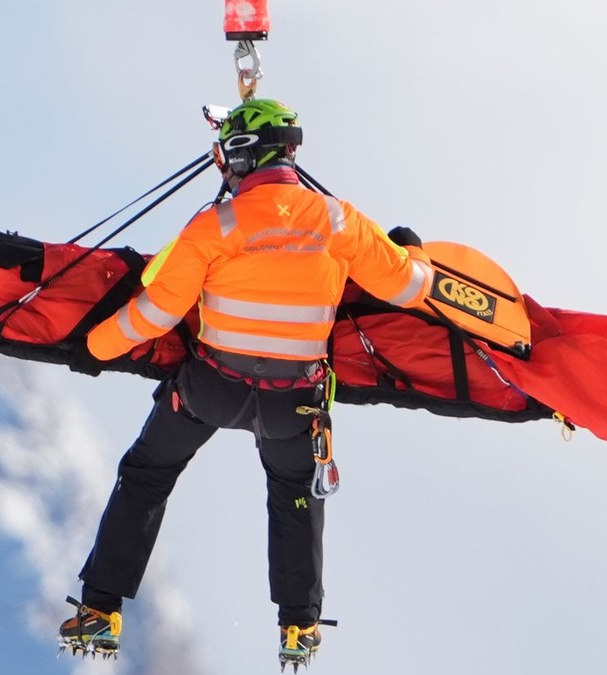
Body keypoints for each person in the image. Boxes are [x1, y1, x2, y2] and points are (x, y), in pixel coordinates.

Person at [58, 98, 434, 667]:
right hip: (294, 404)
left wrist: (93, 347)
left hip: (212, 388)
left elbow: (155, 315)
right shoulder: (338, 221)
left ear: (239, 155)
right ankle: (298, 628)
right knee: (295, 497)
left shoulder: (216, 225)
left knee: (147, 475)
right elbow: (411, 289)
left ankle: (99, 613)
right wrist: (411, 251)